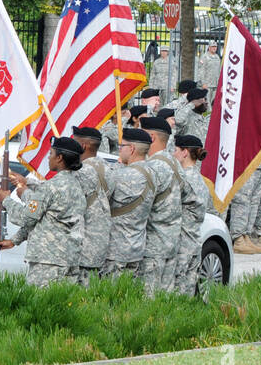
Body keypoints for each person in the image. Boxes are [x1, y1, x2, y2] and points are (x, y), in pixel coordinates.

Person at [0, 137, 86, 287]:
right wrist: (15, 240)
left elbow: (26, 218)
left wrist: (6, 200)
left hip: (48, 262)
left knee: (42, 306)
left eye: (50, 153)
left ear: (60, 158)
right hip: (69, 259)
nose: (48, 157)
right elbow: (45, 220)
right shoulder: (77, 186)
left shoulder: (51, 187)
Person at [104, 128, 155, 278]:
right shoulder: (153, 173)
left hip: (116, 249)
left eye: (122, 146)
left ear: (131, 149)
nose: (119, 149)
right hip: (137, 247)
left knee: (111, 297)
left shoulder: (121, 175)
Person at [141, 117, 183, 296]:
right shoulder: (175, 163)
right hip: (171, 241)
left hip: (154, 244)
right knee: (166, 299)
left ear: (151, 137)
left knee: (149, 299)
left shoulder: (153, 166)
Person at [70, 127, 112, 280]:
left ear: (82, 146)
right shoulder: (108, 167)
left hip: (83, 244)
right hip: (101, 244)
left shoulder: (81, 172)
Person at [172, 135, 209, 298]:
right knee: (187, 294)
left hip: (182, 244)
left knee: (176, 294)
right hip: (194, 242)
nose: (173, 154)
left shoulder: (184, 180)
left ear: (185, 152)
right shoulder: (200, 180)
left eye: (176, 150)